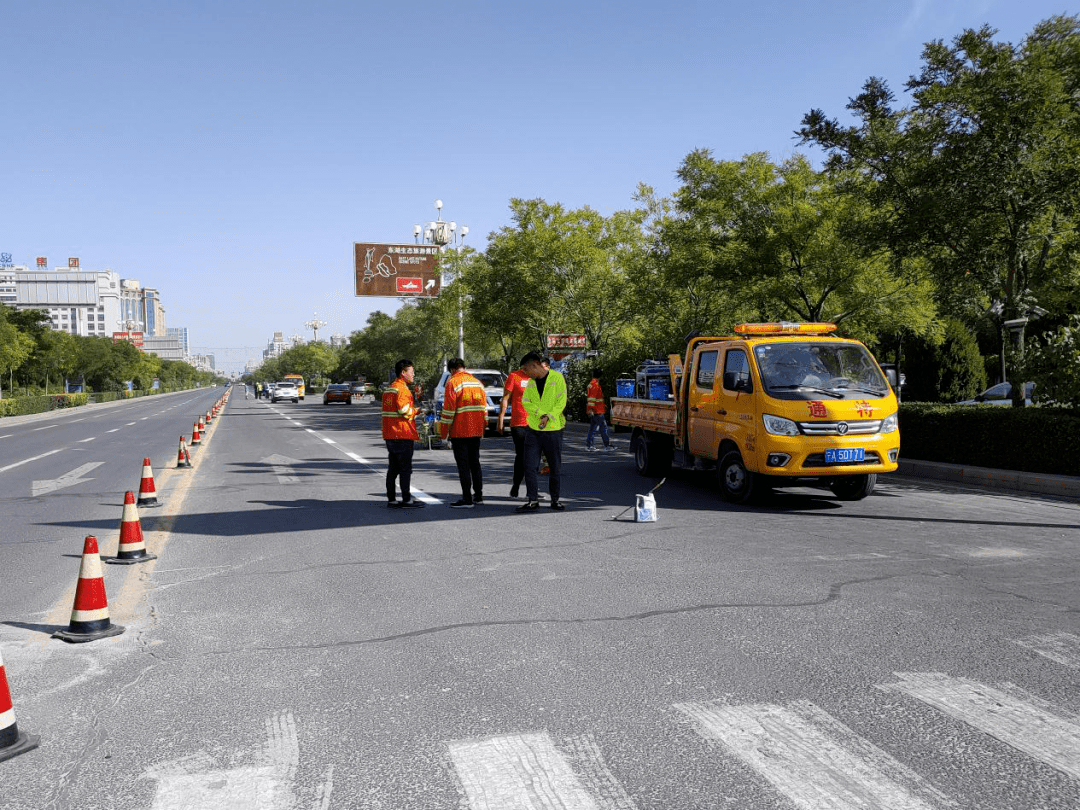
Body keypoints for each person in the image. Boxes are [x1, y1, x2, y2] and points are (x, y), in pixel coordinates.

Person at [517, 352, 568, 512]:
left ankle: (555, 500)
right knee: (529, 465)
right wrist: (541, 415)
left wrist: (549, 417)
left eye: (526, 369)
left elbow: (561, 401)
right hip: (533, 430)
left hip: (553, 429)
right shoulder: (530, 383)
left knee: (554, 467)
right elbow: (526, 402)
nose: (525, 373)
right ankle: (532, 500)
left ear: (535, 365)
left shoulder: (557, 378)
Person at [439, 358, 487, 508]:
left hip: (460, 430)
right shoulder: (478, 383)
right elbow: (484, 409)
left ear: (452, 370)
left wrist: (443, 433)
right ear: (464, 367)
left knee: (464, 466)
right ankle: (478, 496)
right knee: (475, 463)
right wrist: (482, 428)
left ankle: (467, 499)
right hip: (476, 430)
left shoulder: (453, 382)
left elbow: (448, 411)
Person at [381, 359, 425, 509]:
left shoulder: (390, 388)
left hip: (390, 434)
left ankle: (392, 499)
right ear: (403, 372)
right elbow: (404, 411)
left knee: (393, 468)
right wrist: (418, 411)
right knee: (405, 469)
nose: (413, 375)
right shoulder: (402, 389)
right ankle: (406, 500)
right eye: (411, 372)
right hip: (402, 434)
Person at [498, 359, 531, 497]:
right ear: (524, 364)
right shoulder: (514, 376)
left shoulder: (536, 378)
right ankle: (516, 483)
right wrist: (501, 418)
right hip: (518, 423)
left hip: (535, 424)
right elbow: (506, 398)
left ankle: (531, 490)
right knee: (522, 456)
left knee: (533, 457)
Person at [585, 369, 612, 451]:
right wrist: (592, 409)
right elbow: (592, 399)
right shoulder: (595, 385)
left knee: (592, 429)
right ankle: (606, 446)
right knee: (603, 428)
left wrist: (590, 409)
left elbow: (592, 399)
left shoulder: (592, 384)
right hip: (597, 411)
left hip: (595, 410)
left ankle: (589, 446)